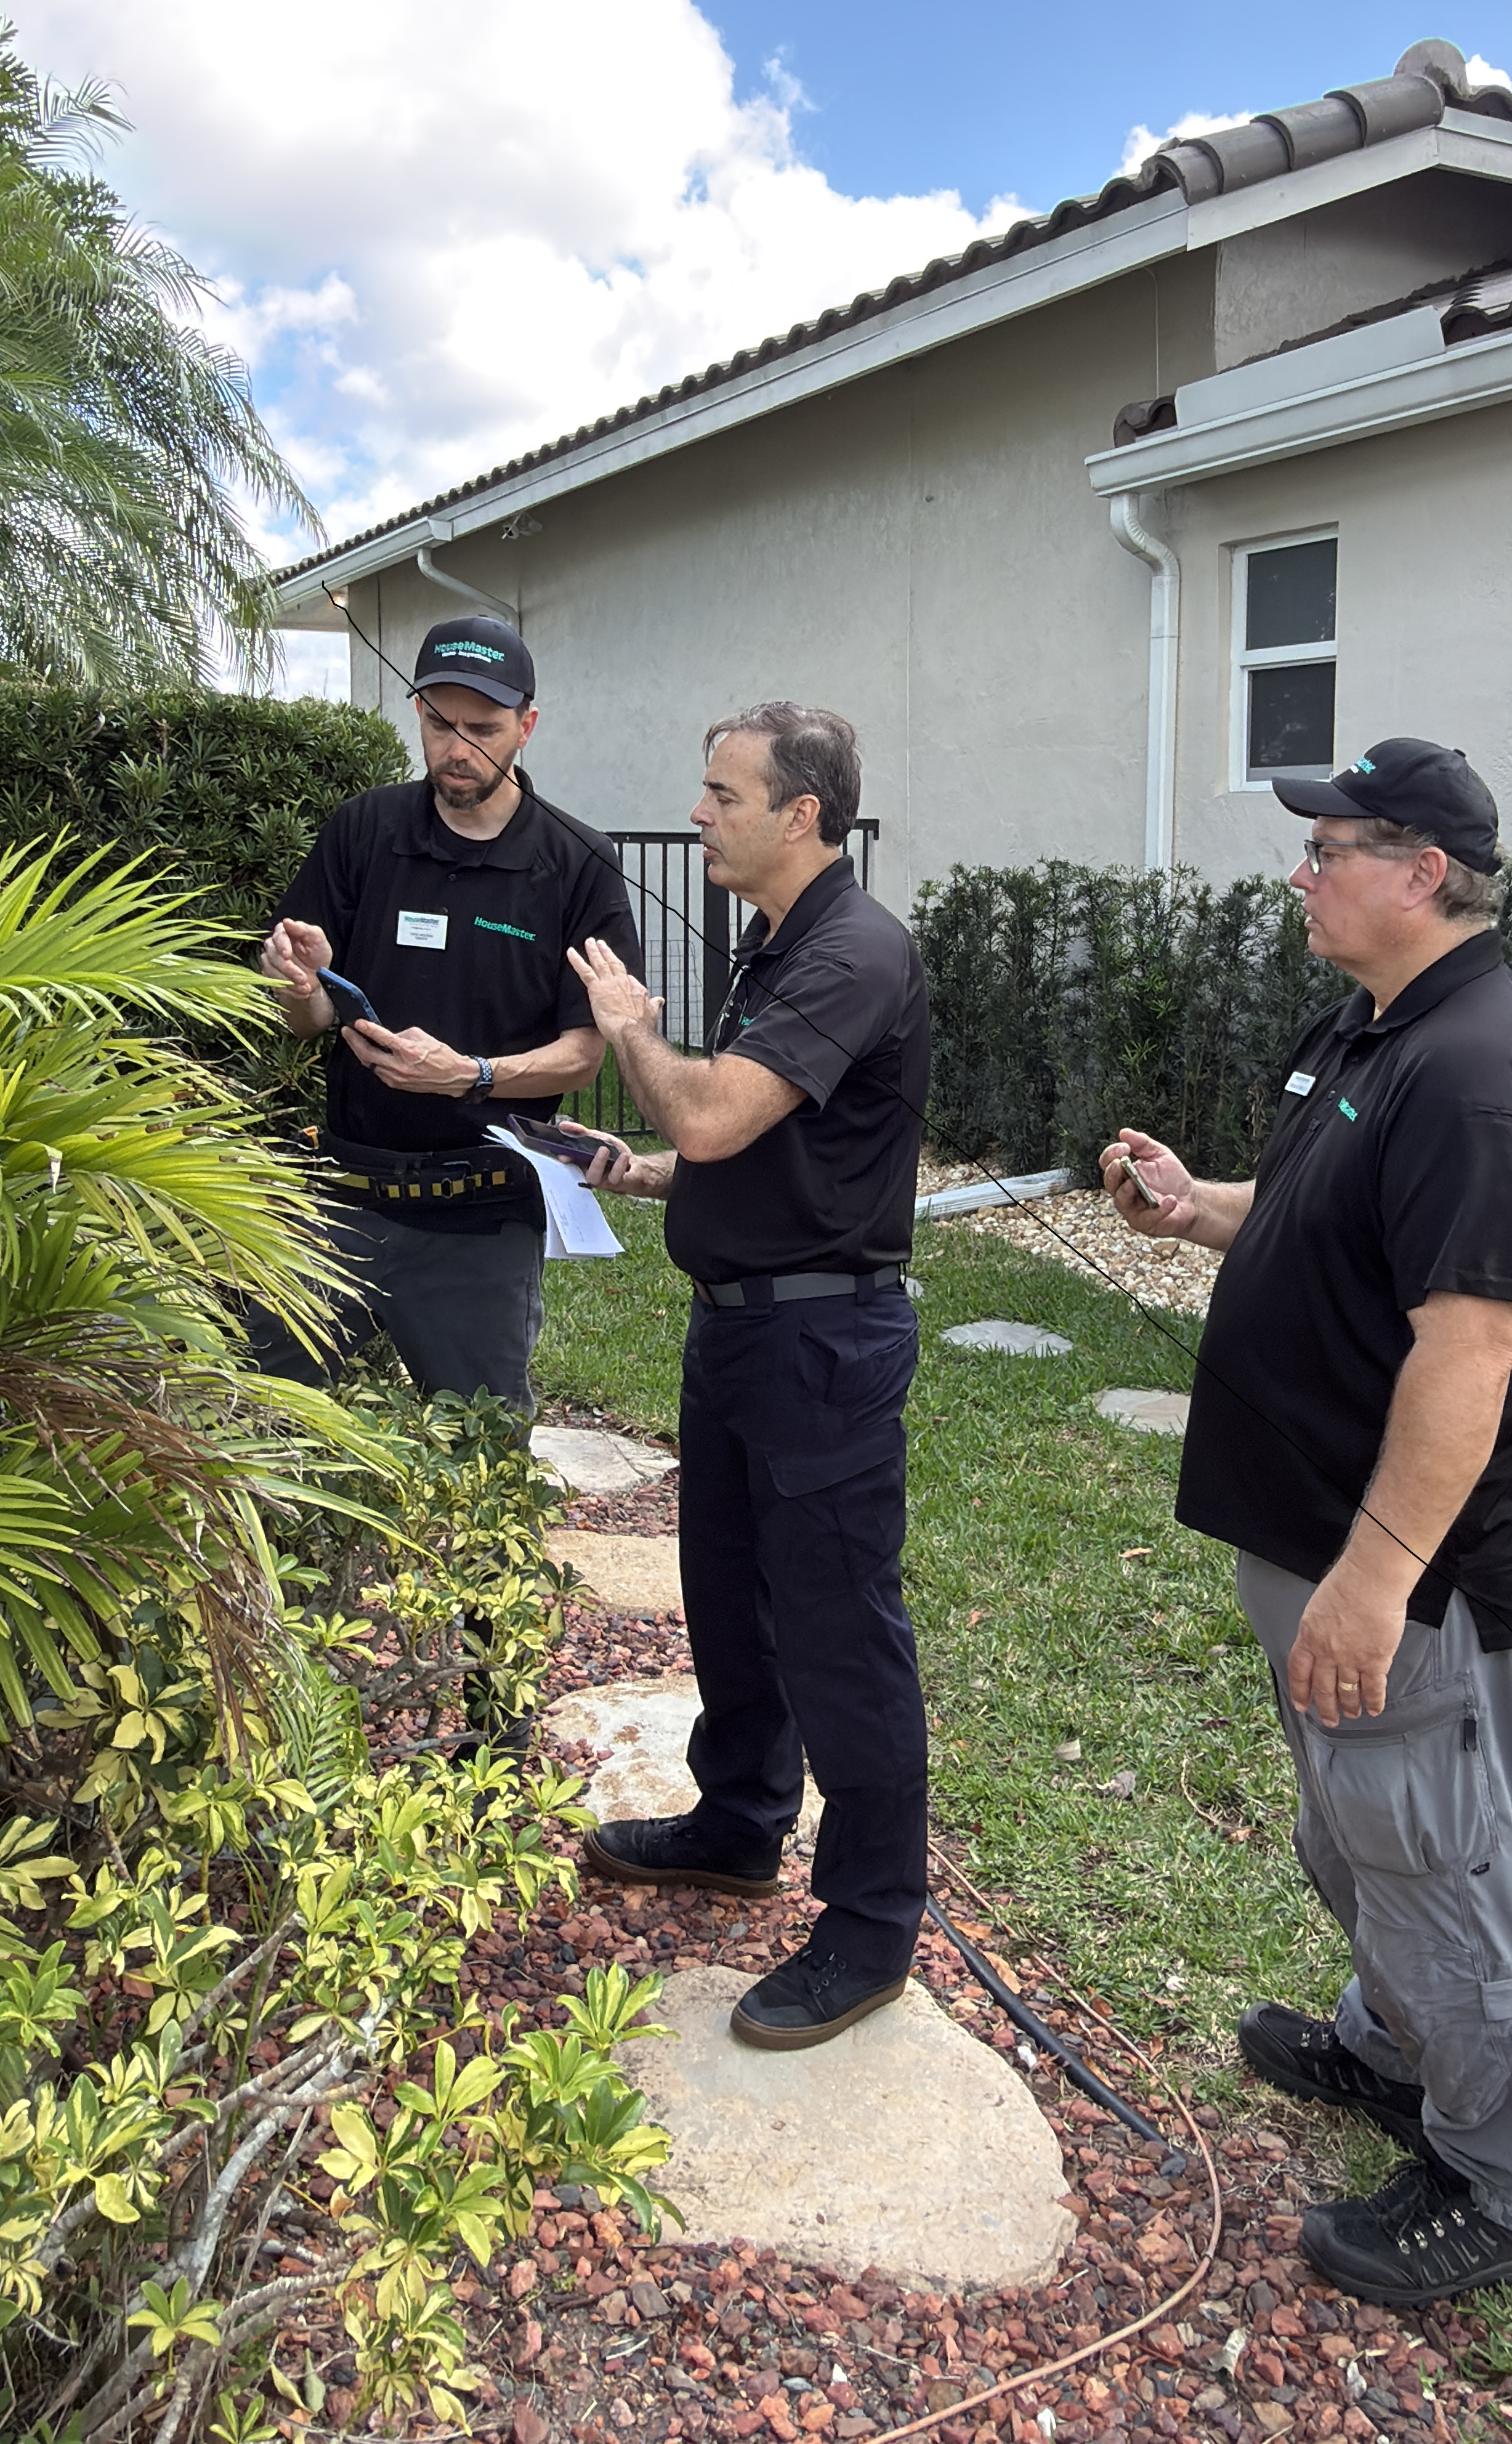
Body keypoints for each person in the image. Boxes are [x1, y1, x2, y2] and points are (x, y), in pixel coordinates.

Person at [1101, 738, 1512, 2310]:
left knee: (1440, 1862)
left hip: (1413, 1572)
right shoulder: (1377, 1029)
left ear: (1422, 871)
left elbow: (1473, 1345)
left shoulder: (1478, 1072)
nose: (1301, 872)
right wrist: (1198, 1206)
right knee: (1357, 1832)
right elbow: (1328, 1204)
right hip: (1314, 1531)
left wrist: (1376, 1577)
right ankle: (1391, 2050)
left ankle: (1498, 2185)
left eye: (1329, 849)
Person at [561, 703, 932, 2055]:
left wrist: (630, 1033)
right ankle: (736, 1823)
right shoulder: (775, 942)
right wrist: (643, 1166)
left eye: (723, 794)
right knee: (727, 1596)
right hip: (739, 1329)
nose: (700, 811)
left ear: (801, 815)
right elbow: (752, 1145)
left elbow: (713, 1106)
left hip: (820, 1347)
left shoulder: (855, 948)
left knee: (839, 1626)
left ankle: (872, 1924)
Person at [253, 615, 640, 1410]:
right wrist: (297, 984)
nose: (457, 747)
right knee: (273, 1431)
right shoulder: (364, 829)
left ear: (526, 726)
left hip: (483, 1213)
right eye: (439, 722)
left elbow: (582, 1053)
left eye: (483, 727)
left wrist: (471, 1075)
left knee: (484, 1463)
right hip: (341, 1196)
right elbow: (308, 1018)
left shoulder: (578, 863)